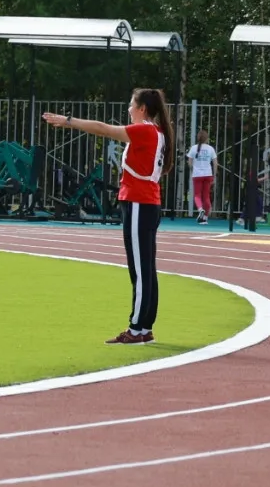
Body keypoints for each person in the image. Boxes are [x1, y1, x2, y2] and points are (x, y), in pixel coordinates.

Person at [42, 87, 173, 345]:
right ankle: (144, 326)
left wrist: (69, 121)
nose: (128, 109)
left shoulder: (145, 130)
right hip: (143, 202)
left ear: (142, 108)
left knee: (140, 268)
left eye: (131, 105)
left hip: (139, 203)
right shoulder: (154, 132)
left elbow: (103, 129)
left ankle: (137, 328)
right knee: (145, 267)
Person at [186, 128, 216, 224]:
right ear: (206, 139)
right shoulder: (210, 149)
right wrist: (214, 175)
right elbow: (215, 163)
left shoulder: (194, 148)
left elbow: (189, 162)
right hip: (208, 174)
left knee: (197, 195)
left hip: (197, 174)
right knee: (206, 196)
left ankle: (200, 209)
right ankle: (205, 218)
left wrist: (193, 169)